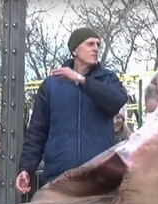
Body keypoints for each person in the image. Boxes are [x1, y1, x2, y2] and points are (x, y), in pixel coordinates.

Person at [16, 27, 128, 194]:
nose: (96, 48)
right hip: (60, 175)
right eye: (90, 44)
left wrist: (80, 80)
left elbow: (117, 101)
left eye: (98, 44)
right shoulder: (51, 85)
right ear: (75, 50)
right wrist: (27, 168)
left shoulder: (108, 79)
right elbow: (37, 131)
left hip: (98, 176)